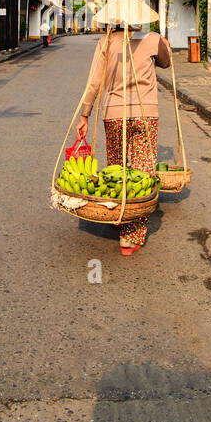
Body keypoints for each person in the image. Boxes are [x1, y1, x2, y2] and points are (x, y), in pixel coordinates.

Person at [76, 24, 172, 255]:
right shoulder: (152, 38)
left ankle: (119, 215)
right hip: (144, 115)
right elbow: (166, 62)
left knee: (118, 170)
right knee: (142, 172)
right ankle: (130, 237)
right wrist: (163, 43)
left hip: (114, 115)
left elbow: (94, 82)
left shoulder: (106, 42)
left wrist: (84, 114)